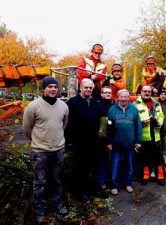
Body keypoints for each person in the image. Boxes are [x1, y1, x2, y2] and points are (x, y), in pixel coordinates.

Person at [22, 76, 69, 223]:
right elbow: (27, 129)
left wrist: (57, 141)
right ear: (44, 89)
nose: (53, 89)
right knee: (40, 182)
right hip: (40, 151)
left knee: (56, 179)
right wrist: (38, 141)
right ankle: (40, 209)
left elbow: (64, 125)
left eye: (55, 87)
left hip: (58, 149)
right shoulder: (33, 106)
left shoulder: (63, 106)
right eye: (50, 87)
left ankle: (57, 204)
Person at [65, 78, 109, 200]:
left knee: (94, 167)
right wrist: (69, 141)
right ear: (81, 88)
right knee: (80, 168)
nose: (88, 89)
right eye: (86, 87)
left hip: (94, 142)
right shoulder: (72, 103)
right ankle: (80, 193)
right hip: (79, 142)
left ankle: (94, 190)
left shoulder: (95, 103)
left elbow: (103, 117)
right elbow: (67, 123)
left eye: (90, 88)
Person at [107, 89, 142, 195]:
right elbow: (108, 128)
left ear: (128, 98)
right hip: (116, 144)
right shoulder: (112, 110)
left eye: (125, 97)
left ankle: (127, 184)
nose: (123, 99)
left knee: (129, 165)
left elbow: (138, 126)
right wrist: (109, 142)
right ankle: (114, 185)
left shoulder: (134, 109)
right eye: (121, 97)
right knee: (115, 165)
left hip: (130, 144)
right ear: (118, 97)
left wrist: (138, 141)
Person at [134, 85, 166, 186]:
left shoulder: (156, 104)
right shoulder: (135, 104)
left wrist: (160, 122)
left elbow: (161, 115)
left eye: (149, 91)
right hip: (144, 136)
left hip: (155, 135)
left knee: (158, 158)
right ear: (141, 92)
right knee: (144, 158)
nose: (147, 93)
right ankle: (145, 176)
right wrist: (142, 122)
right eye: (145, 91)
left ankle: (160, 177)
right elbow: (134, 119)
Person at [97, 86, 115, 192]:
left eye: (109, 92)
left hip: (113, 137)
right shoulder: (98, 105)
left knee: (112, 160)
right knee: (101, 161)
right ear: (101, 94)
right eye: (105, 92)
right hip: (101, 139)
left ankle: (110, 180)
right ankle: (101, 182)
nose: (108, 94)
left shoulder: (113, 105)